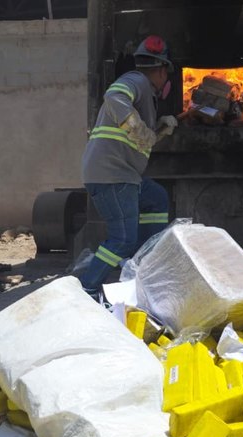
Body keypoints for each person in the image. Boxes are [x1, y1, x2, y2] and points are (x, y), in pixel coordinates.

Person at [79, 35, 178, 293]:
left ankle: (146, 264)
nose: (167, 79)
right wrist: (135, 125)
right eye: (166, 73)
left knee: (156, 197)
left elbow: (139, 138)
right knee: (122, 239)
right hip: (112, 175)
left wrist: (158, 129)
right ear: (160, 69)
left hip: (122, 174)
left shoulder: (145, 91)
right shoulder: (137, 81)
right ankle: (86, 288)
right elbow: (113, 97)